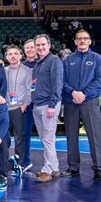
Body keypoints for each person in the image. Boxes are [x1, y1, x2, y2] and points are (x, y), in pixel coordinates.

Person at [61, 29, 101, 181]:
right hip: (70, 102)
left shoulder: (97, 59)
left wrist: (84, 94)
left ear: (89, 41)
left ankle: (98, 168)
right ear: (74, 41)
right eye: (79, 38)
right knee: (71, 136)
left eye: (85, 38)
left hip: (90, 102)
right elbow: (61, 81)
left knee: (94, 136)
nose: (82, 41)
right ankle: (73, 167)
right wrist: (73, 92)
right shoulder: (67, 60)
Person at [32, 34, 63, 182]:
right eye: (38, 45)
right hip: (37, 105)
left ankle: (47, 170)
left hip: (48, 105)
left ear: (49, 45)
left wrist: (52, 105)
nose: (40, 47)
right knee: (45, 139)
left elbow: (57, 84)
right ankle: (55, 167)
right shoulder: (38, 63)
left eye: (43, 44)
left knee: (48, 139)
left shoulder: (54, 61)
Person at [4, 45, 32, 174]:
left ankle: (19, 165)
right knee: (4, 137)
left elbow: (30, 90)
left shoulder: (27, 70)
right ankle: (3, 162)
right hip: (5, 108)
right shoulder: (4, 70)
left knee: (19, 137)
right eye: (10, 54)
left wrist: (24, 105)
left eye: (15, 53)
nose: (13, 56)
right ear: (6, 57)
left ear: (20, 56)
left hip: (19, 107)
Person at [21, 39, 37, 171]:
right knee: (24, 133)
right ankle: (25, 161)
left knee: (47, 136)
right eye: (27, 48)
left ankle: (52, 165)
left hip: (41, 103)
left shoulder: (43, 63)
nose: (30, 50)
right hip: (26, 105)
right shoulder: (21, 66)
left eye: (32, 47)